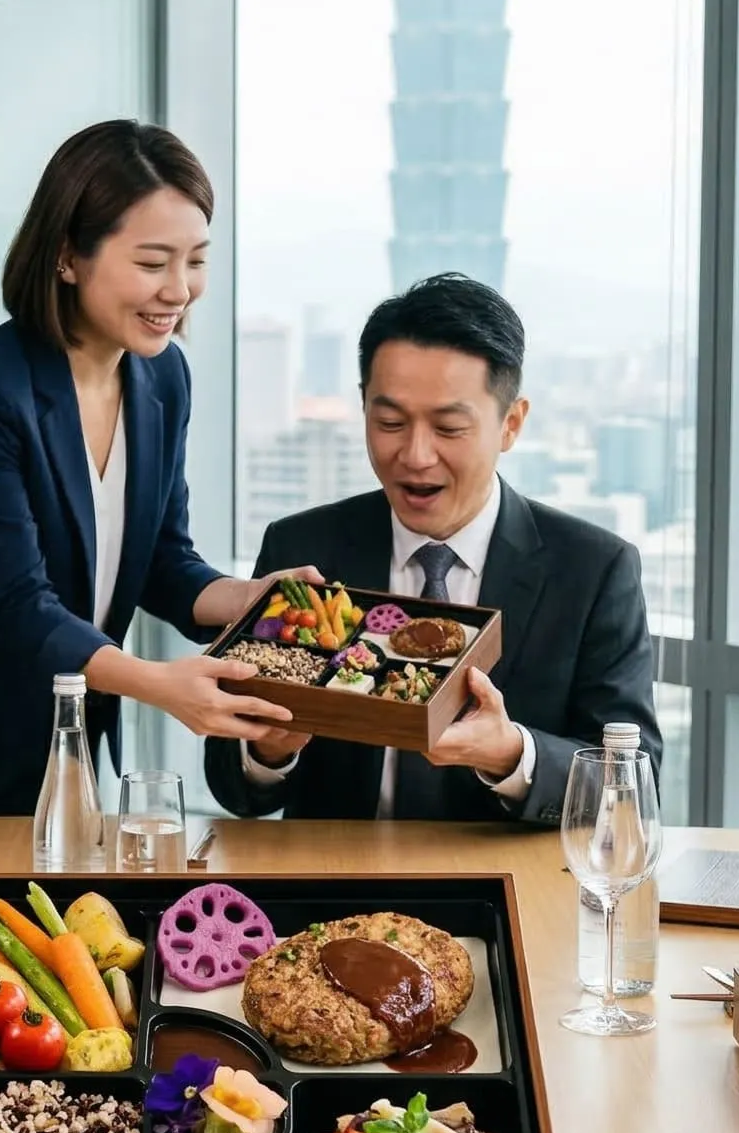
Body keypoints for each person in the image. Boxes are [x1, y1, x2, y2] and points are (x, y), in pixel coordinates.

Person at [0, 120, 315, 815]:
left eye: (195, 260)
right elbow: (15, 604)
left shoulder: (164, 377)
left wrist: (247, 599)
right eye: (152, 263)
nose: (179, 290)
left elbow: (164, 562)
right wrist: (159, 684)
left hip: (62, 734)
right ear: (66, 258)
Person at [204, 274, 659, 825]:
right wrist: (270, 749)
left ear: (510, 424)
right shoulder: (303, 547)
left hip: (504, 891)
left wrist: (512, 752)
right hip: (335, 887)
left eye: (448, 427)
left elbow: (635, 781)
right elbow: (236, 789)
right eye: (390, 422)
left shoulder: (593, 570)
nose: (415, 455)